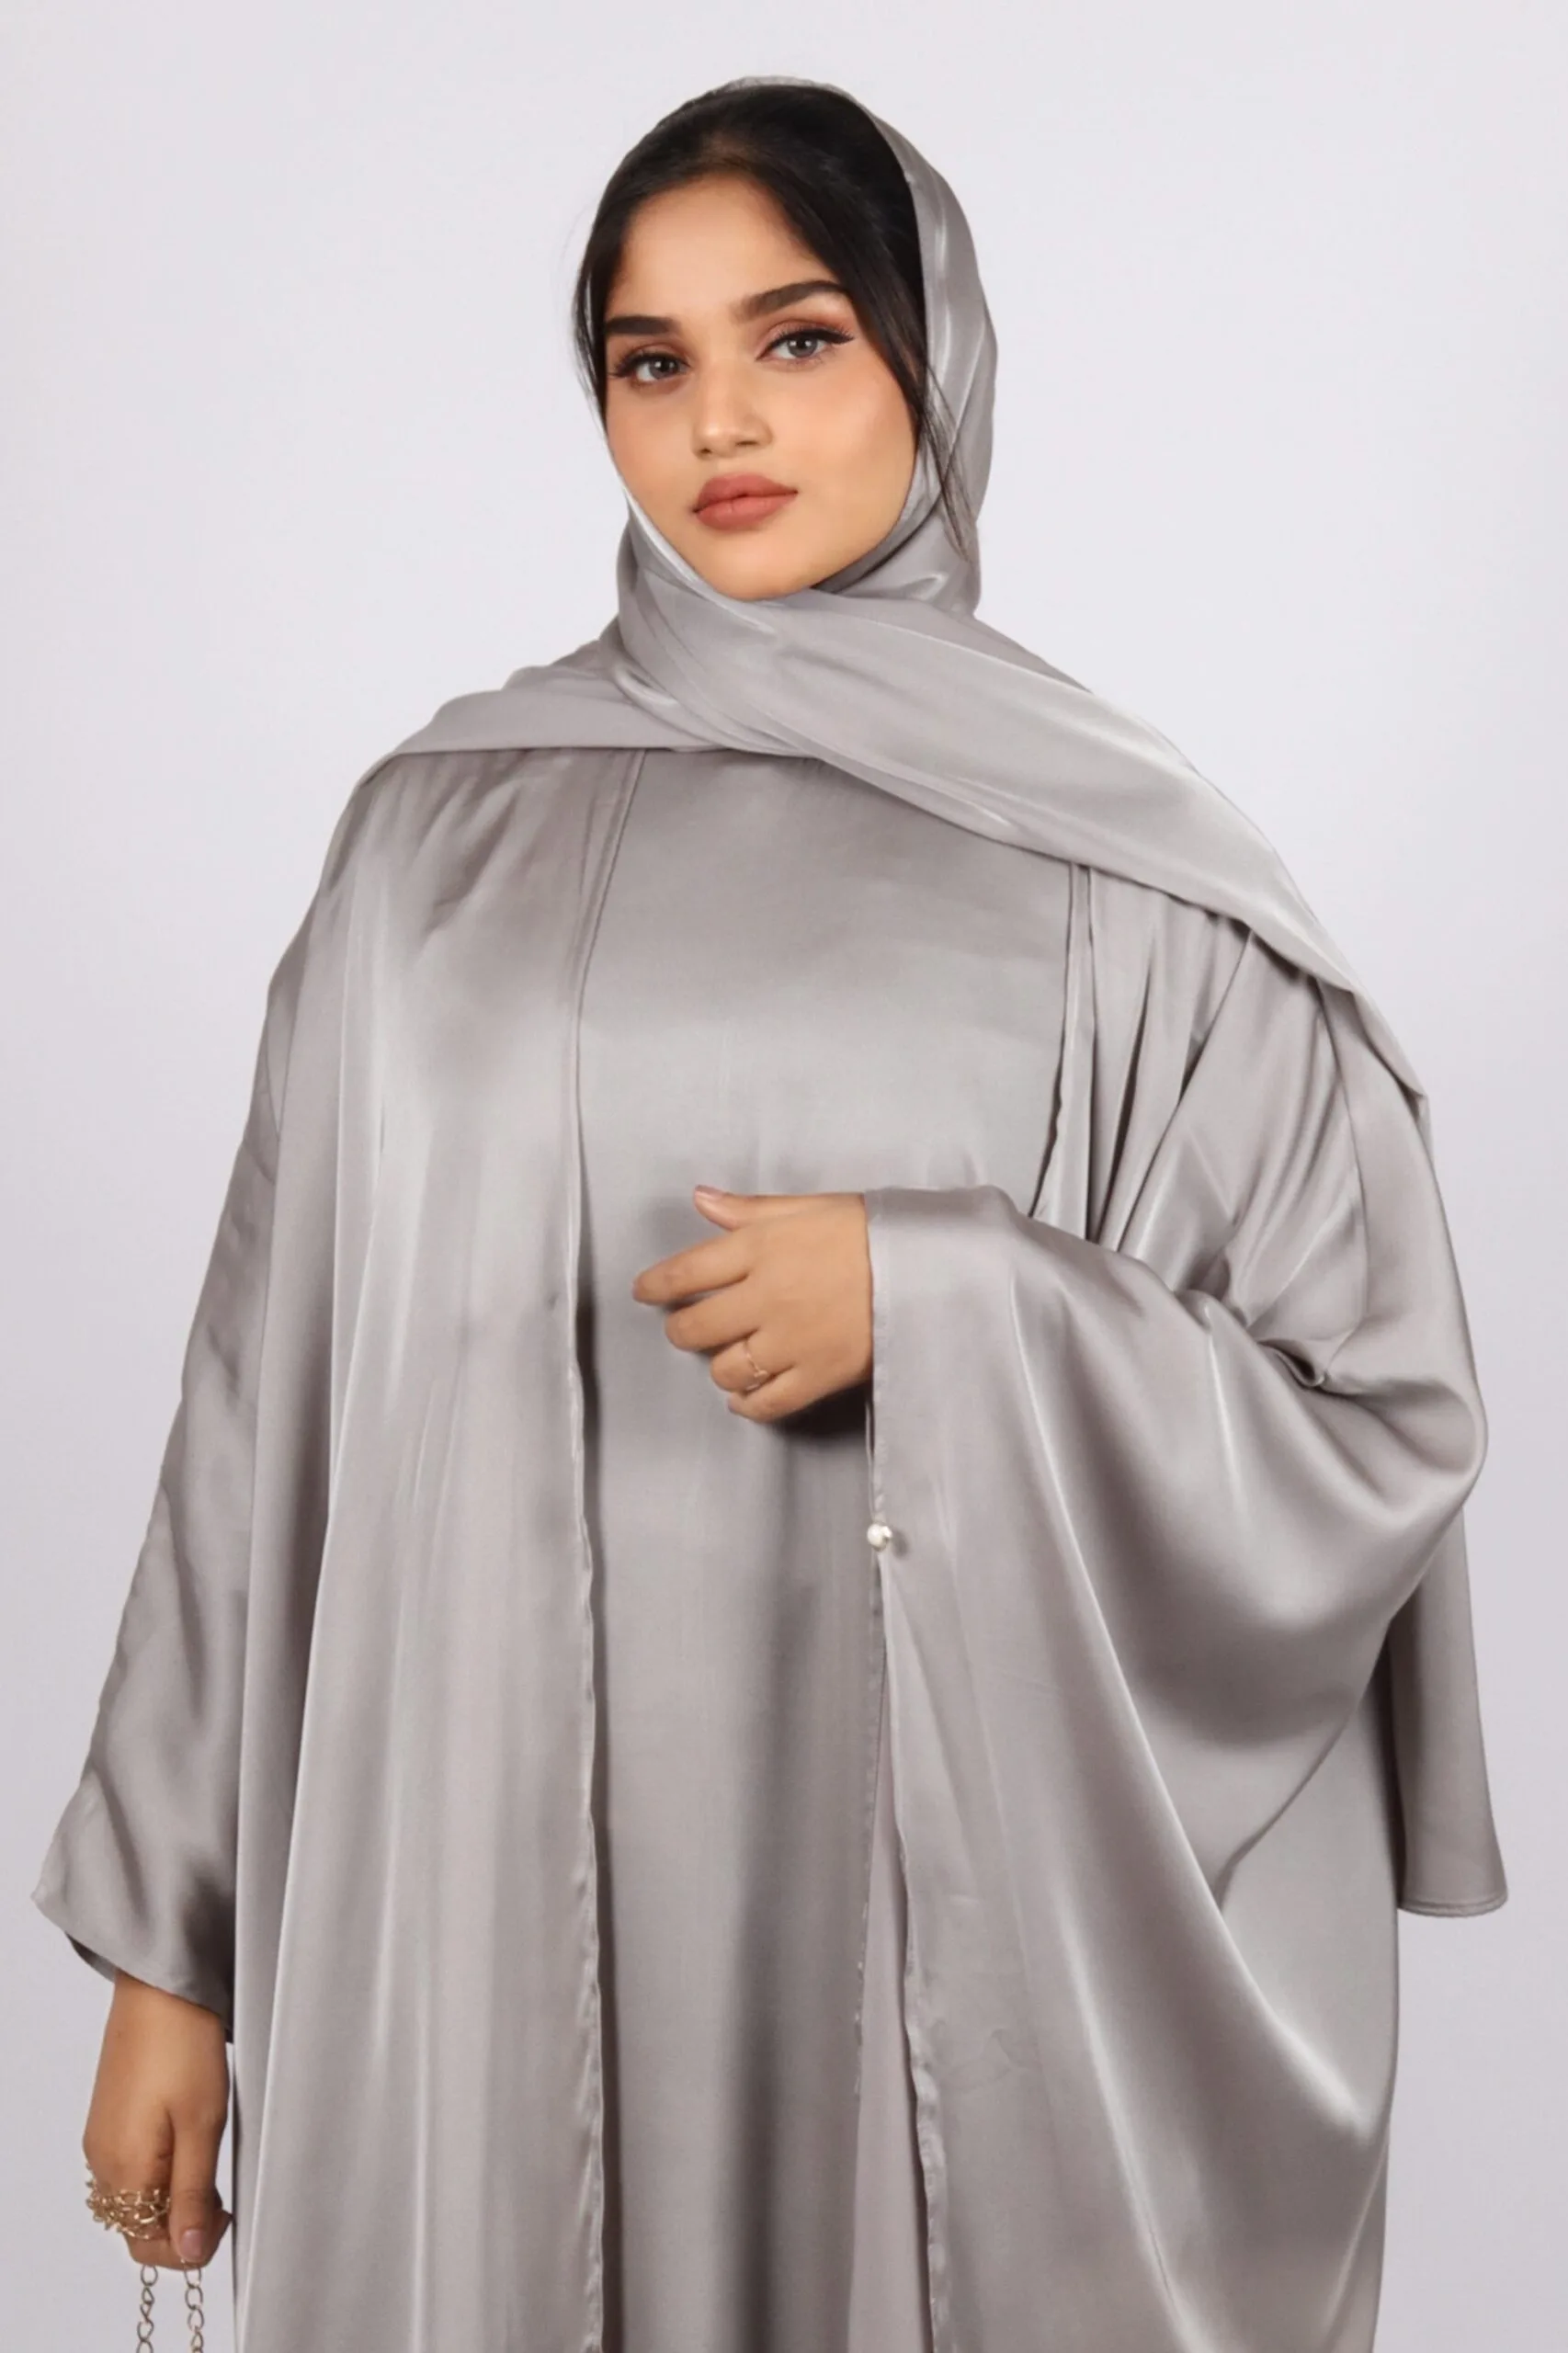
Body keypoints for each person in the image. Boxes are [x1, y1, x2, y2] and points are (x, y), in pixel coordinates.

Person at [33, 73, 1506, 2353]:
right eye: (652, 360)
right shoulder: (429, 848)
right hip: (473, 1932)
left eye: (797, 338)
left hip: (908, 1963)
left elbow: (1370, 1421)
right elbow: (259, 1411)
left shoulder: (1133, 891)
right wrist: (171, 1947)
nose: (718, 418)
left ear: (933, 354)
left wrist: (955, 1300)